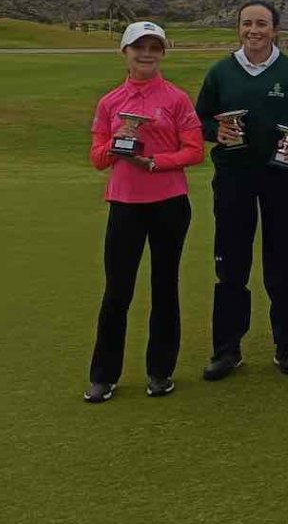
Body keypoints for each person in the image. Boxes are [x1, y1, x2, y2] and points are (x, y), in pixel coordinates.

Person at [83, 22, 204, 402]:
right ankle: (104, 376)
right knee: (117, 291)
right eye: (139, 47)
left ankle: (160, 371)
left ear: (163, 53)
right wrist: (118, 149)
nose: (146, 54)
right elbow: (97, 158)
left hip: (169, 202)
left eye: (154, 47)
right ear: (125, 52)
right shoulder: (110, 102)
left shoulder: (176, 99)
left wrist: (155, 161)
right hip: (125, 204)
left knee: (165, 287)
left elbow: (194, 150)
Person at [196, 0, 288, 380]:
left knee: (282, 263)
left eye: (261, 24)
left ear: (275, 29)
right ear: (239, 29)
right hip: (233, 177)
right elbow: (200, 120)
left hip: (281, 179)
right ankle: (227, 350)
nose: (254, 31)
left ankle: (287, 347)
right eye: (247, 23)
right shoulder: (221, 72)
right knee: (231, 265)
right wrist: (217, 132)